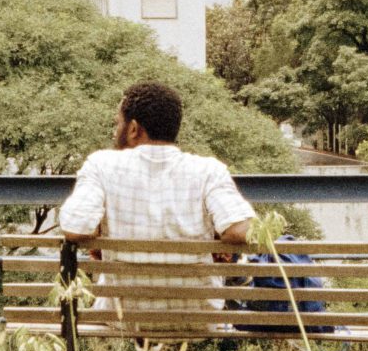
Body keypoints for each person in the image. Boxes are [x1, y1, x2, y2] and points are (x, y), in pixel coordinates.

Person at [58, 81, 255, 320]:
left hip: (123, 318)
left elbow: (75, 227)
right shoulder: (209, 171)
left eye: (116, 123)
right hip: (197, 318)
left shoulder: (101, 165)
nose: (114, 131)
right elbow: (242, 230)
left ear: (133, 129)